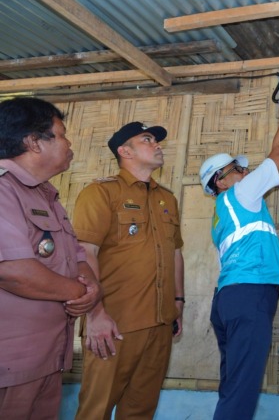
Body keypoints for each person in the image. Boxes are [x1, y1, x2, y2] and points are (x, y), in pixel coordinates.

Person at [73, 121, 185, 419]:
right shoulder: (101, 193)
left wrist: (178, 303)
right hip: (114, 324)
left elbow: (175, 253)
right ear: (125, 151)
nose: (157, 144)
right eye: (148, 139)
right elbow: (84, 253)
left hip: (160, 323)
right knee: (95, 410)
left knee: (140, 410)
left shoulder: (167, 199)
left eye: (157, 140)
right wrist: (95, 315)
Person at [198, 92, 279, 420]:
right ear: (221, 180)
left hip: (228, 300)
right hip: (249, 296)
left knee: (232, 387)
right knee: (241, 392)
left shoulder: (219, 216)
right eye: (237, 168)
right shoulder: (240, 193)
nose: (245, 171)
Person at [0, 97, 101, 419]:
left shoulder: (45, 194)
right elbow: (14, 271)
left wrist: (90, 287)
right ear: (33, 141)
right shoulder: (3, 189)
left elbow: (75, 256)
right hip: (11, 362)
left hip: (48, 357)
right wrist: (83, 293)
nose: (69, 143)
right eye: (61, 133)